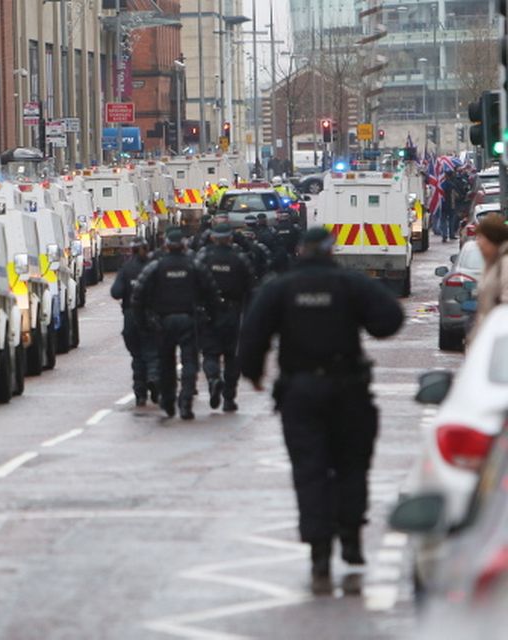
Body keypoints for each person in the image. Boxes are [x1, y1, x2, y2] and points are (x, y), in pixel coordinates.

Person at [237, 227, 404, 594]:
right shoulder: (349, 284)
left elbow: (251, 335)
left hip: (300, 391)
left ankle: (319, 552)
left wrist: (253, 373)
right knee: (351, 465)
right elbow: (389, 319)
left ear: (300, 251)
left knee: (309, 470)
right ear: (330, 251)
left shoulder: (281, 288)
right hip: (348, 388)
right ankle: (351, 539)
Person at [131, 228, 221, 419]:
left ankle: (169, 401)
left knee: (166, 362)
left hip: (163, 322)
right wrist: (211, 319)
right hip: (189, 320)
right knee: (190, 362)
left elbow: (138, 295)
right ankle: (186, 401)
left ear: (166, 245)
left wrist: (143, 322)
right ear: (184, 245)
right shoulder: (194, 265)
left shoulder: (156, 266)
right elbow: (211, 292)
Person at [196, 223, 255, 412]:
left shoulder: (203, 257)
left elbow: (194, 283)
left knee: (210, 353)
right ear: (230, 238)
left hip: (209, 313)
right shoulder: (240, 258)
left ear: (213, 237)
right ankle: (229, 398)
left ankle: (213, 378)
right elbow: (251, 288)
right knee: (231, 357)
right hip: (232, 313)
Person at [111, 237, 160, 405]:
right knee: (152, 352)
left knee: (137, 357)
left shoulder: (126, 269)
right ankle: (154, 378)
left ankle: (140, 393)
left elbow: (116, 292)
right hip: (152, 316)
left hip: (131, 318)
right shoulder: (154, 267)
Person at [467, 213, 508, 346]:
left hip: (498, 342)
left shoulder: (505, 264)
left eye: (480, 238)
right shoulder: (491, 263)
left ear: (492, 238)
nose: (478, 243)